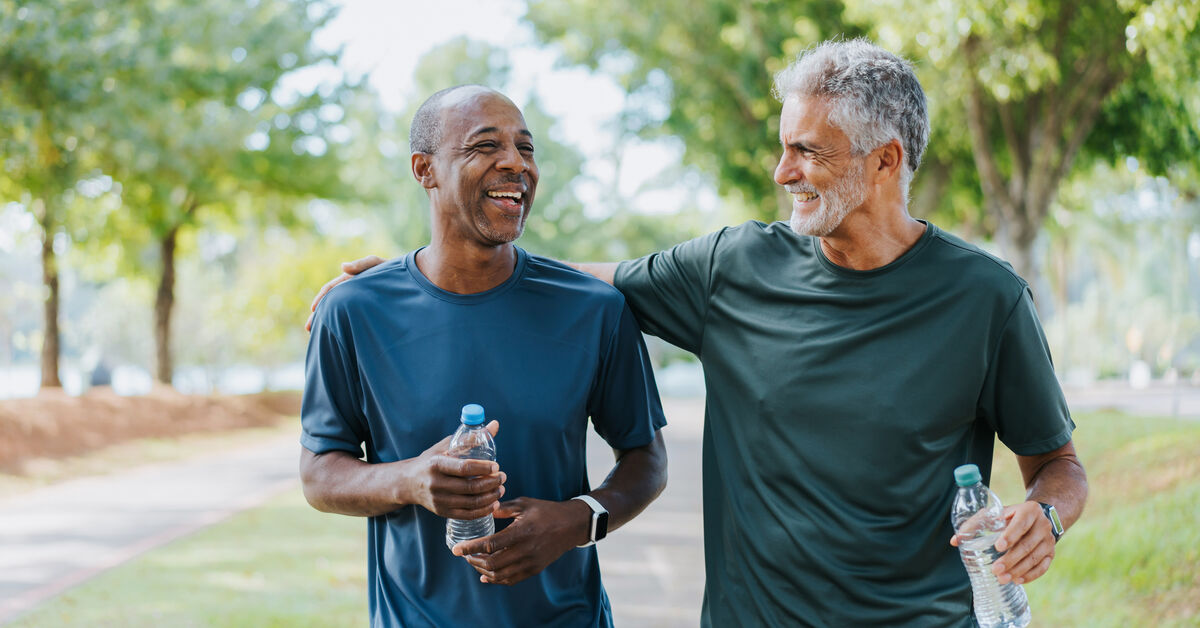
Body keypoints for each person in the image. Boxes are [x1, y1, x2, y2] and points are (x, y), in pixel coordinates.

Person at [309, 40, 1087, 627]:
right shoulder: (735, 268)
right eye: (783, 146)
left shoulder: (987, 299)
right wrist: (408, 278)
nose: (782, 171)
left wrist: (1042, 516)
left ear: (885, 161)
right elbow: (577, 281)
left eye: (806, 151)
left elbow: (1058, 464)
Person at [299, 84, 668, 628]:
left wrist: (576, 520)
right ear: (425, 170)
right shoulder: (354, 311)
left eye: (526, 147)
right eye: (484, 146)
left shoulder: (595, 310)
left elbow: (647, 460)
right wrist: (410, 480)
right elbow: (319, 474)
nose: (516, 163)